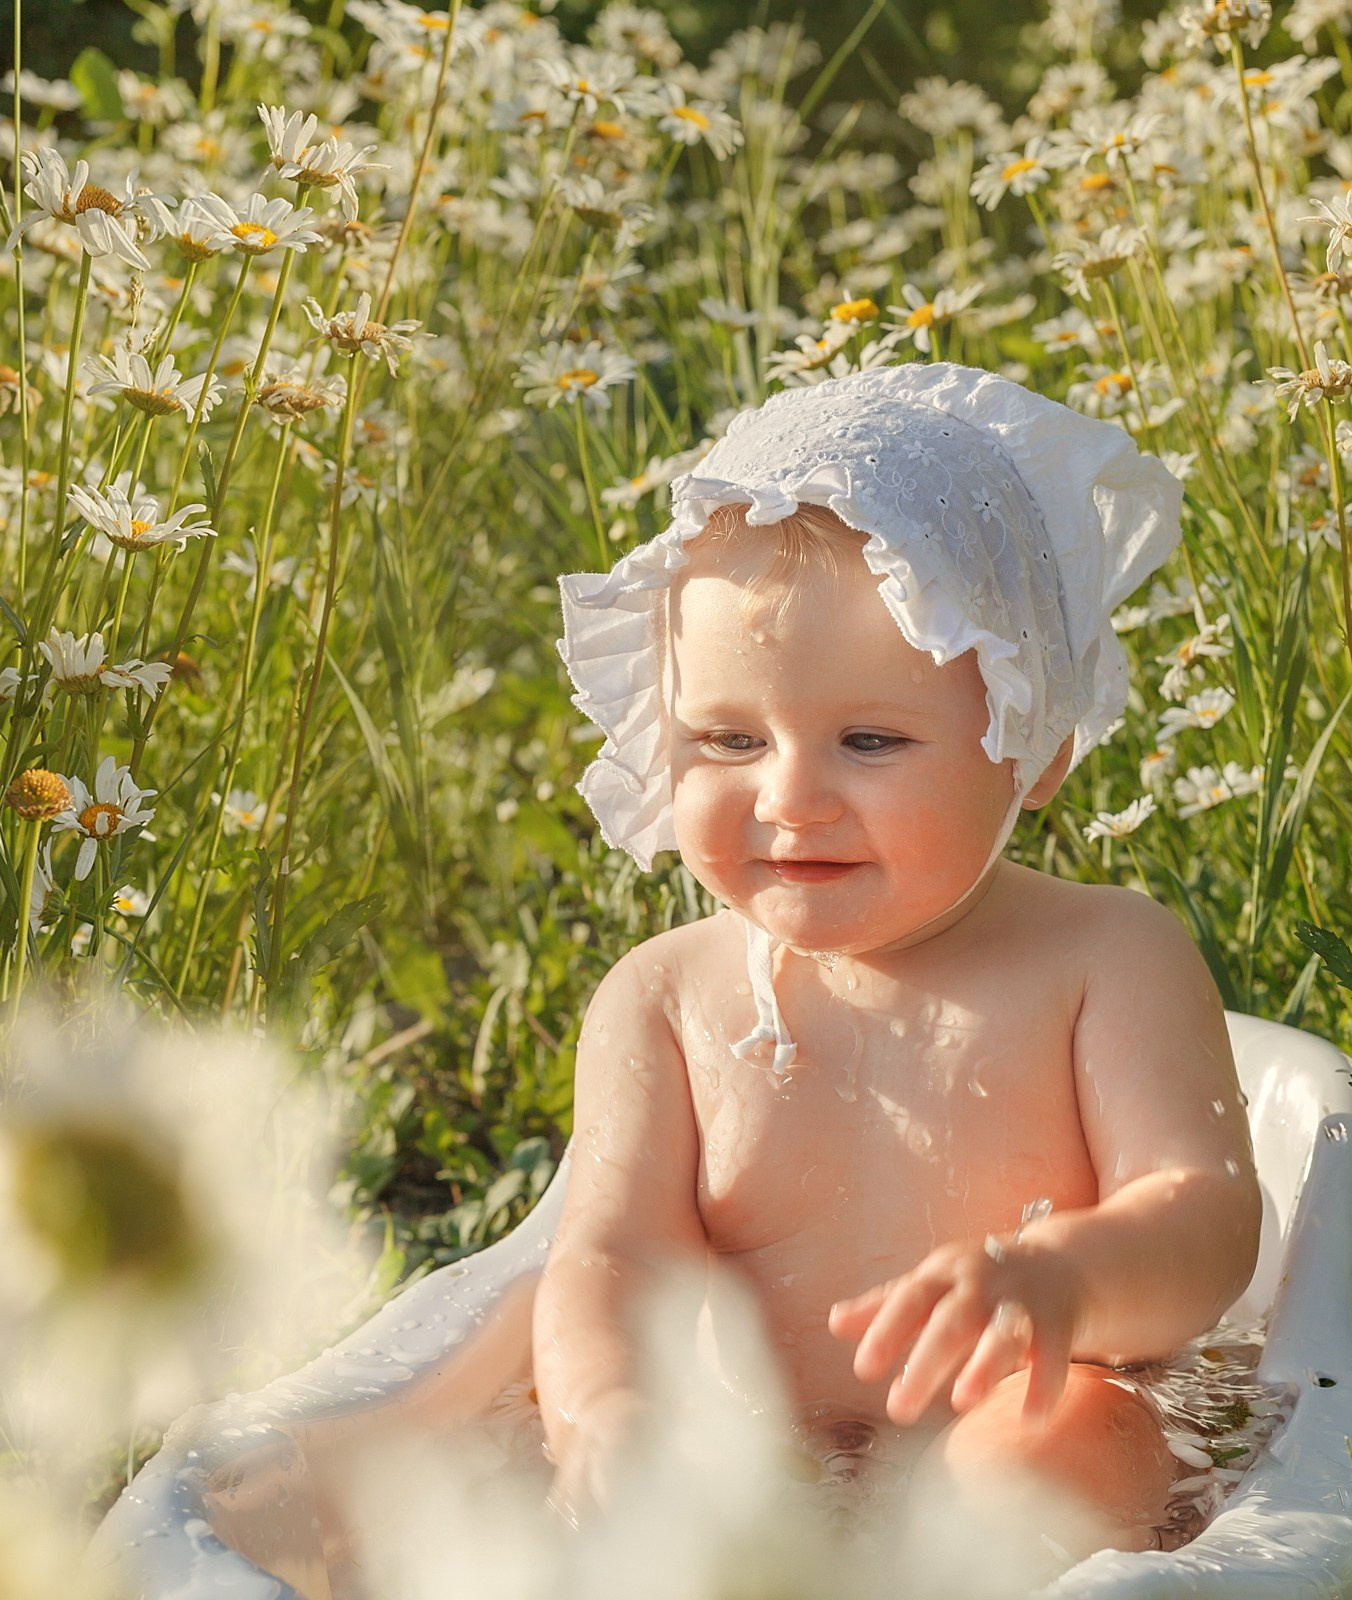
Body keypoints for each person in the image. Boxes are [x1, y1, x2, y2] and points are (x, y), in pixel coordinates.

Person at [535, 363, 1261, 1553]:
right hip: (769, 1458)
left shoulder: (1102, 957)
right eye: (727, 737)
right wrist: (603, 1409)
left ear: (1032, 744)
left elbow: (1209, 1215)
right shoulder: (664, 1000)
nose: (789, 798)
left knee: (1050, 1441)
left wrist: (1063, 1280)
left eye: (870, 740)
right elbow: (609, 1255)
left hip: (1051, 1418)